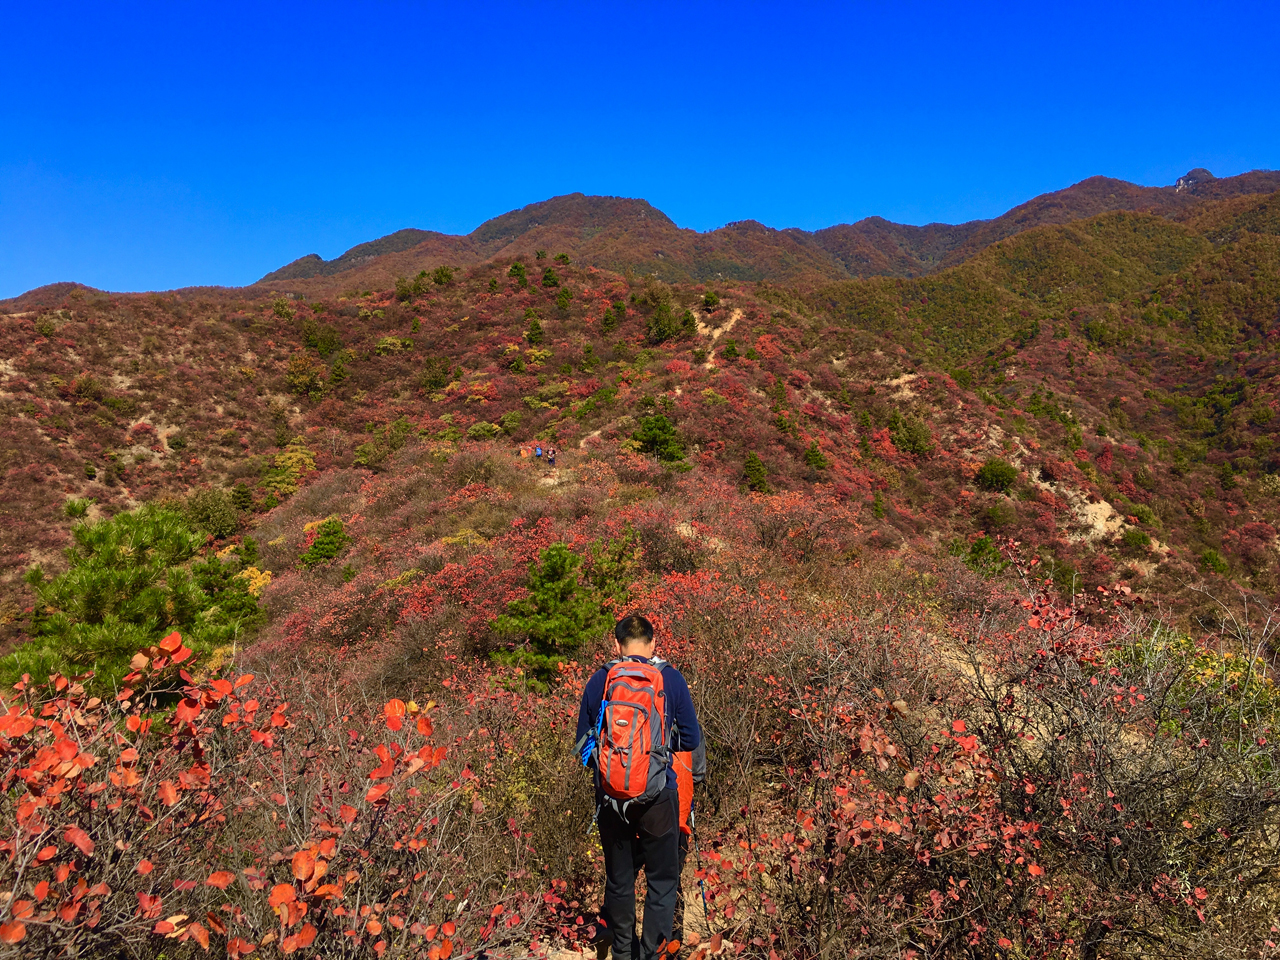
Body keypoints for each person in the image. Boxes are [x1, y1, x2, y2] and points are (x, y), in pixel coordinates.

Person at [576, 615, 700, 960]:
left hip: (611, 798)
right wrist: (653, 753)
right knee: (662, 883)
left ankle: (622, 953)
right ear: (653, 644)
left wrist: (614, 770)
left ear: (616, 646)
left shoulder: (600, 680)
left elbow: (584, 746)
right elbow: (691, 738)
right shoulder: (670, 679)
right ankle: (652, 954)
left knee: (619, 879)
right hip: (659, 796)